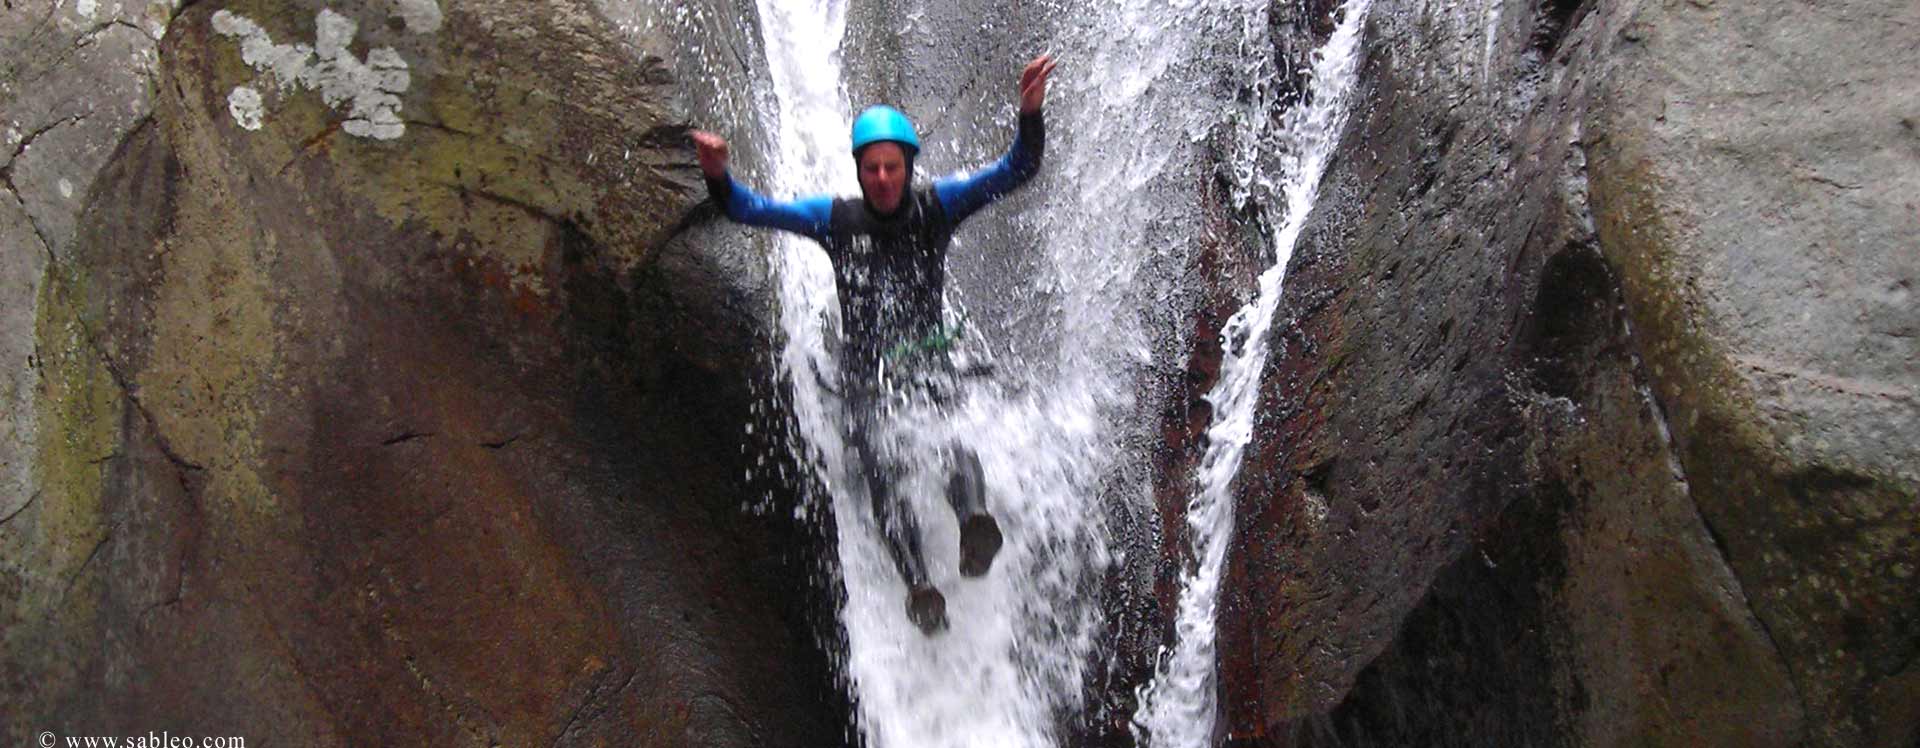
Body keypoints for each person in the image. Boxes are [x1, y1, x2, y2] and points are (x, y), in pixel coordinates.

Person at [692, 55, 1057, 634]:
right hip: (865, 375)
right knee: (879, 462)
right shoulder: (834, 220)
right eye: (872, 170)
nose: (883, 179)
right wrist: (718, 174)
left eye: (891, 168)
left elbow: (1017, 169)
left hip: (926, 361)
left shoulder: (939, 206)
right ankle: (918, 584)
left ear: (908, 166)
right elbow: (751, 210)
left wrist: (1030, 113)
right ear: (859, 173)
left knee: (952, 431)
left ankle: (973, 523)